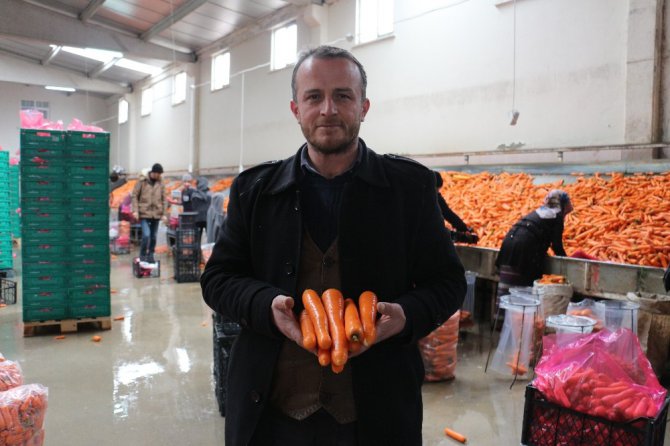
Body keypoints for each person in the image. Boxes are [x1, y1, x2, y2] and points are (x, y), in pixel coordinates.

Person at [201, 45, 466, 446]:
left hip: (375, 415)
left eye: (343, 95)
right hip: (273, 413)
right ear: (295, 109)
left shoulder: (408, 188)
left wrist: (405, 316)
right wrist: (266, 307)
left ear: (364, 106)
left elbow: (447, 282)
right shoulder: (255, 190)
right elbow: (218, 279)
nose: (328, 109)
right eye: (314, 96)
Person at [495, 189, 573, 295]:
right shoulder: (556, 215)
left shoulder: (539, 212)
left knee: (507, 290)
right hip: (523, 250)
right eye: (565, 213)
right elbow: (556, 245)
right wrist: (567, 262)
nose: (564, 216)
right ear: (562, 205)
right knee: (521, 293)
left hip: (508, 244)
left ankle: (503, 310)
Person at [132, 163, 167, 263]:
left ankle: (150, 254)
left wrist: (164, 214)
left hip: (156, 213)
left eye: (160, 174)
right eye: (158, 173)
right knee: (146, 235)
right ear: (153, 172)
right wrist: (135, 211)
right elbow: (134, 195)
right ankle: (142, 255)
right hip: (144, 213)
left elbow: (164, 199)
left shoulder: (161, 183)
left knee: (153, 236)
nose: (159, 175)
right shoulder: (142, 181)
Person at [434, 171, 478, 243]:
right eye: (437, 190)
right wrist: (461, 233)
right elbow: (447, 213)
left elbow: (447, 214)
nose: (438, 192)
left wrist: (463, 228)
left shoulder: (422, 195)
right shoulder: (432, 198)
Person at [181, 176, 211, 248]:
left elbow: (193, 207)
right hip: (207, 218)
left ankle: (197, 253)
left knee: (197, 238)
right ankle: (209, 252)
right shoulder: (209, 194)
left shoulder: (195, 194)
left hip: (197, 219)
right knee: (209, 237)